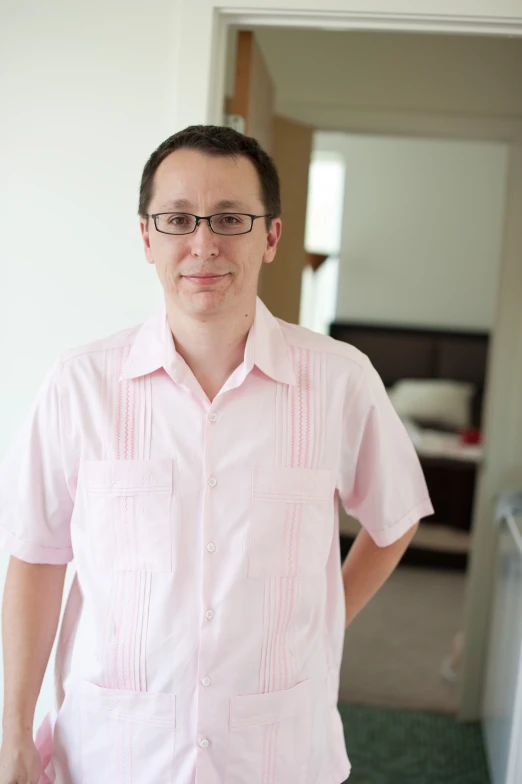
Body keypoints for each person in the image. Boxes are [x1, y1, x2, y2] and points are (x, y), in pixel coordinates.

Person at [0, 125, 434, 784]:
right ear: (147, 237)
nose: (204, 243)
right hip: (113, 754)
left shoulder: (340, 379)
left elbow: (395, 515)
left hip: (278, 755)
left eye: (231, 218)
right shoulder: (80, 384)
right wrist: (13, 735)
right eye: (178, 219)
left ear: (271, 236)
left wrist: (326, 620)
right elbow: (36, 557)